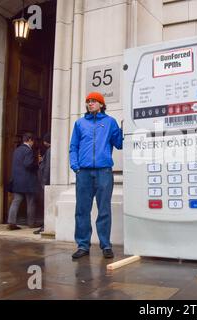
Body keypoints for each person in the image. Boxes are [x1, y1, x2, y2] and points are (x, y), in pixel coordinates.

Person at [69, 92, 123, 259]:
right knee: (81, 210)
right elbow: (73, 147)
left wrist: (124, 130)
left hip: (104, 171)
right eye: (88, 102)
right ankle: (83, 245)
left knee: (104, 209)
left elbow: (119, 144)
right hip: (83, 172)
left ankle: (106, 245)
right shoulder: (79, 123)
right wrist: (75, 166)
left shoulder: (110, 122)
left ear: (101, 104)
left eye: (94, 101)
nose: (90, 104)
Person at [7, 132, 40, 230]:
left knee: (16, 201)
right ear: (29, 140)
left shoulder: (17, 150)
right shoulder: (28, 151)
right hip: (28, 181)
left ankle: (11, 223)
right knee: (31, 202)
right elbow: (27, 164)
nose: (33, 143)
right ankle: (31, 223)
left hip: (17, 181)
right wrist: (37, 163)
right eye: (33, 141)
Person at [34, 132, 51, 235]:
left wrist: (44, 182)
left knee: (45, 204)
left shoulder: (49, 150)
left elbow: (47, 167)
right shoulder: (50, 151)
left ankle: (45, 226)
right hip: (47, 182)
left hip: (46, 182)